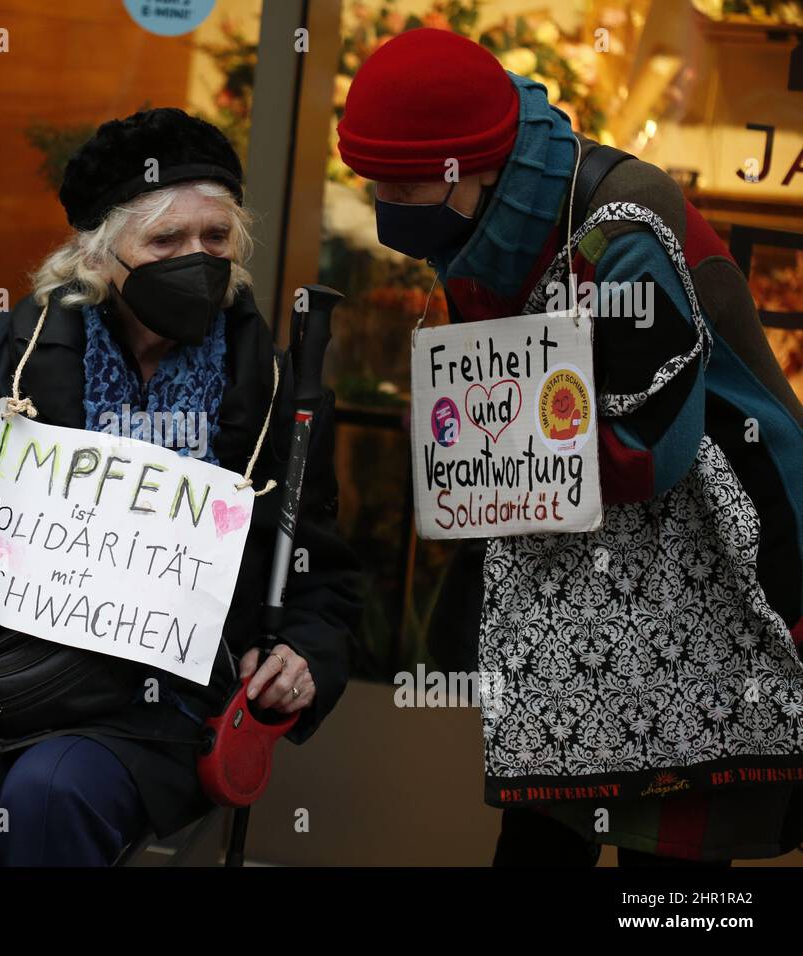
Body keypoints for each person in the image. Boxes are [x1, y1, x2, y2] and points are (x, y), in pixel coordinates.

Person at [0, 107, 363, 866]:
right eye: (165, 241)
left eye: (215, 237)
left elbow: (321, 579)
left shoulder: (271, 388)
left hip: (159, 707)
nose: (196, 258)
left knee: (52, 791)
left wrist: (302, 654)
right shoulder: (1, 355)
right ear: (100, 256)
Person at [337, 28, 803, 865]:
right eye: (375, 184)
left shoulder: (623, 225)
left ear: (468, 166)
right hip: (571, 594)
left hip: (699, 576)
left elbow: (644, 451)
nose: (385, 208)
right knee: (542, 833)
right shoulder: (485, 227)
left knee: (672, 856)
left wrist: (482, 450)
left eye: (401, 185)